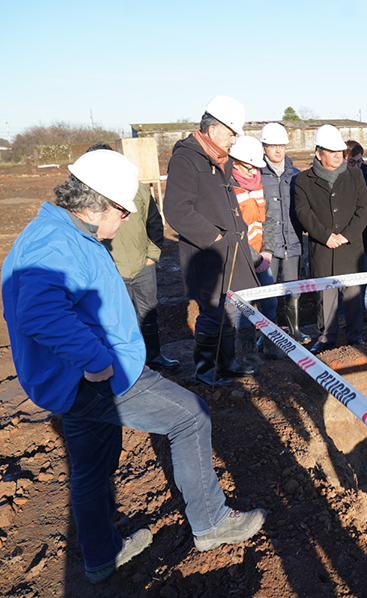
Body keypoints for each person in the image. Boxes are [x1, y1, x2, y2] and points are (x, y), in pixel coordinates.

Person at [1, 150, 265, 584]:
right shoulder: (56, 244)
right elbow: (40, 313)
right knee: (190, 417)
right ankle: (211, 523)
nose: (126, 221)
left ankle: (102, 555)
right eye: (122, 212)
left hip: (75, 381)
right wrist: (96, 360)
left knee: (91, 468)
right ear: (94, 204)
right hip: (96, 377)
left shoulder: (60, 232)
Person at [163, 96, 258, 388]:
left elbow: (229, 205)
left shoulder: (219, 160)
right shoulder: (186, 159)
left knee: (228, 309)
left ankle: (227, 363)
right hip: (207, 254)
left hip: (230, 251)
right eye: (231, 133)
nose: (234, 140)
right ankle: (206, 372)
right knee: (211, 312)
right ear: (214, 129)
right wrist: (214, 238)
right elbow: (176, 210)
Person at [88, 143, 178, 371]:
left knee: (149, 312)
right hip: (112, 269)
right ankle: (131, 364)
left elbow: (154, 223)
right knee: (120, 319)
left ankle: (155, 356)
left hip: (142, 266)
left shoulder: (136, 189)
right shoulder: (88, 199)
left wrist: (151, 256)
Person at [293, 125, 367, 354]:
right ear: (318, 153)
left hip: (350, 247)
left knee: (353, 296)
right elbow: (303, 212)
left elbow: (363, 210)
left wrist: (346, 235)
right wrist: (325, 236)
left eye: (339, 151)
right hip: (323, 248)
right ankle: (326, 337)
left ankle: (355, 336)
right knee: (325, 297)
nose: (338, 155)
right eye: (331, 151)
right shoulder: (303, 180)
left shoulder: (356, 175)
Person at [230, 135, 281, 369]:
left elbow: (268, 220)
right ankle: (250, 355)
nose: (253, 173)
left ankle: (270, 345)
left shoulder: (258, 185)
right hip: (241, 260)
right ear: (236, 163)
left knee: (270, 303)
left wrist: (267, 251)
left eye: (255, 168)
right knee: (245, 309)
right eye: (249, 168)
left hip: (262, 257)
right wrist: (254, 257)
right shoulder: (228, 188)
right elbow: (233, 230)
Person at [258, 122, 311, 345]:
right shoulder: (258, 175)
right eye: (273, 146)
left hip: (292, 241)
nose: (278, 150)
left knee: (294, 288)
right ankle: (267, 337)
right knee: (267, 292)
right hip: (268, 245)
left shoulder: (296, 175)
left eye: (281, 145)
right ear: (264, 148)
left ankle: (294, 330)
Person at [345, 140, 367, 323]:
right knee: (344, 272)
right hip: (343, 231)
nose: (356, 166)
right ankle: (343, 312)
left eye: (359, 162)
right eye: (352, 162)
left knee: (366, 269)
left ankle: (366, 306)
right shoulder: (340, 174)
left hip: (362, 229)